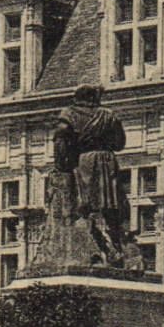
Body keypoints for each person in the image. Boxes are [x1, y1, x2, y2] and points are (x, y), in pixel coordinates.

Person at [52, 85, 130, 267]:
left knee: (85, 205)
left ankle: (98, 247)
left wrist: (62, 164)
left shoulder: (69, 113)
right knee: (111, 206)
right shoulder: (109, 115)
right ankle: (115, 246)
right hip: (108, 161)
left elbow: (61, 137)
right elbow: (120, 143)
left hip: (85, 161)